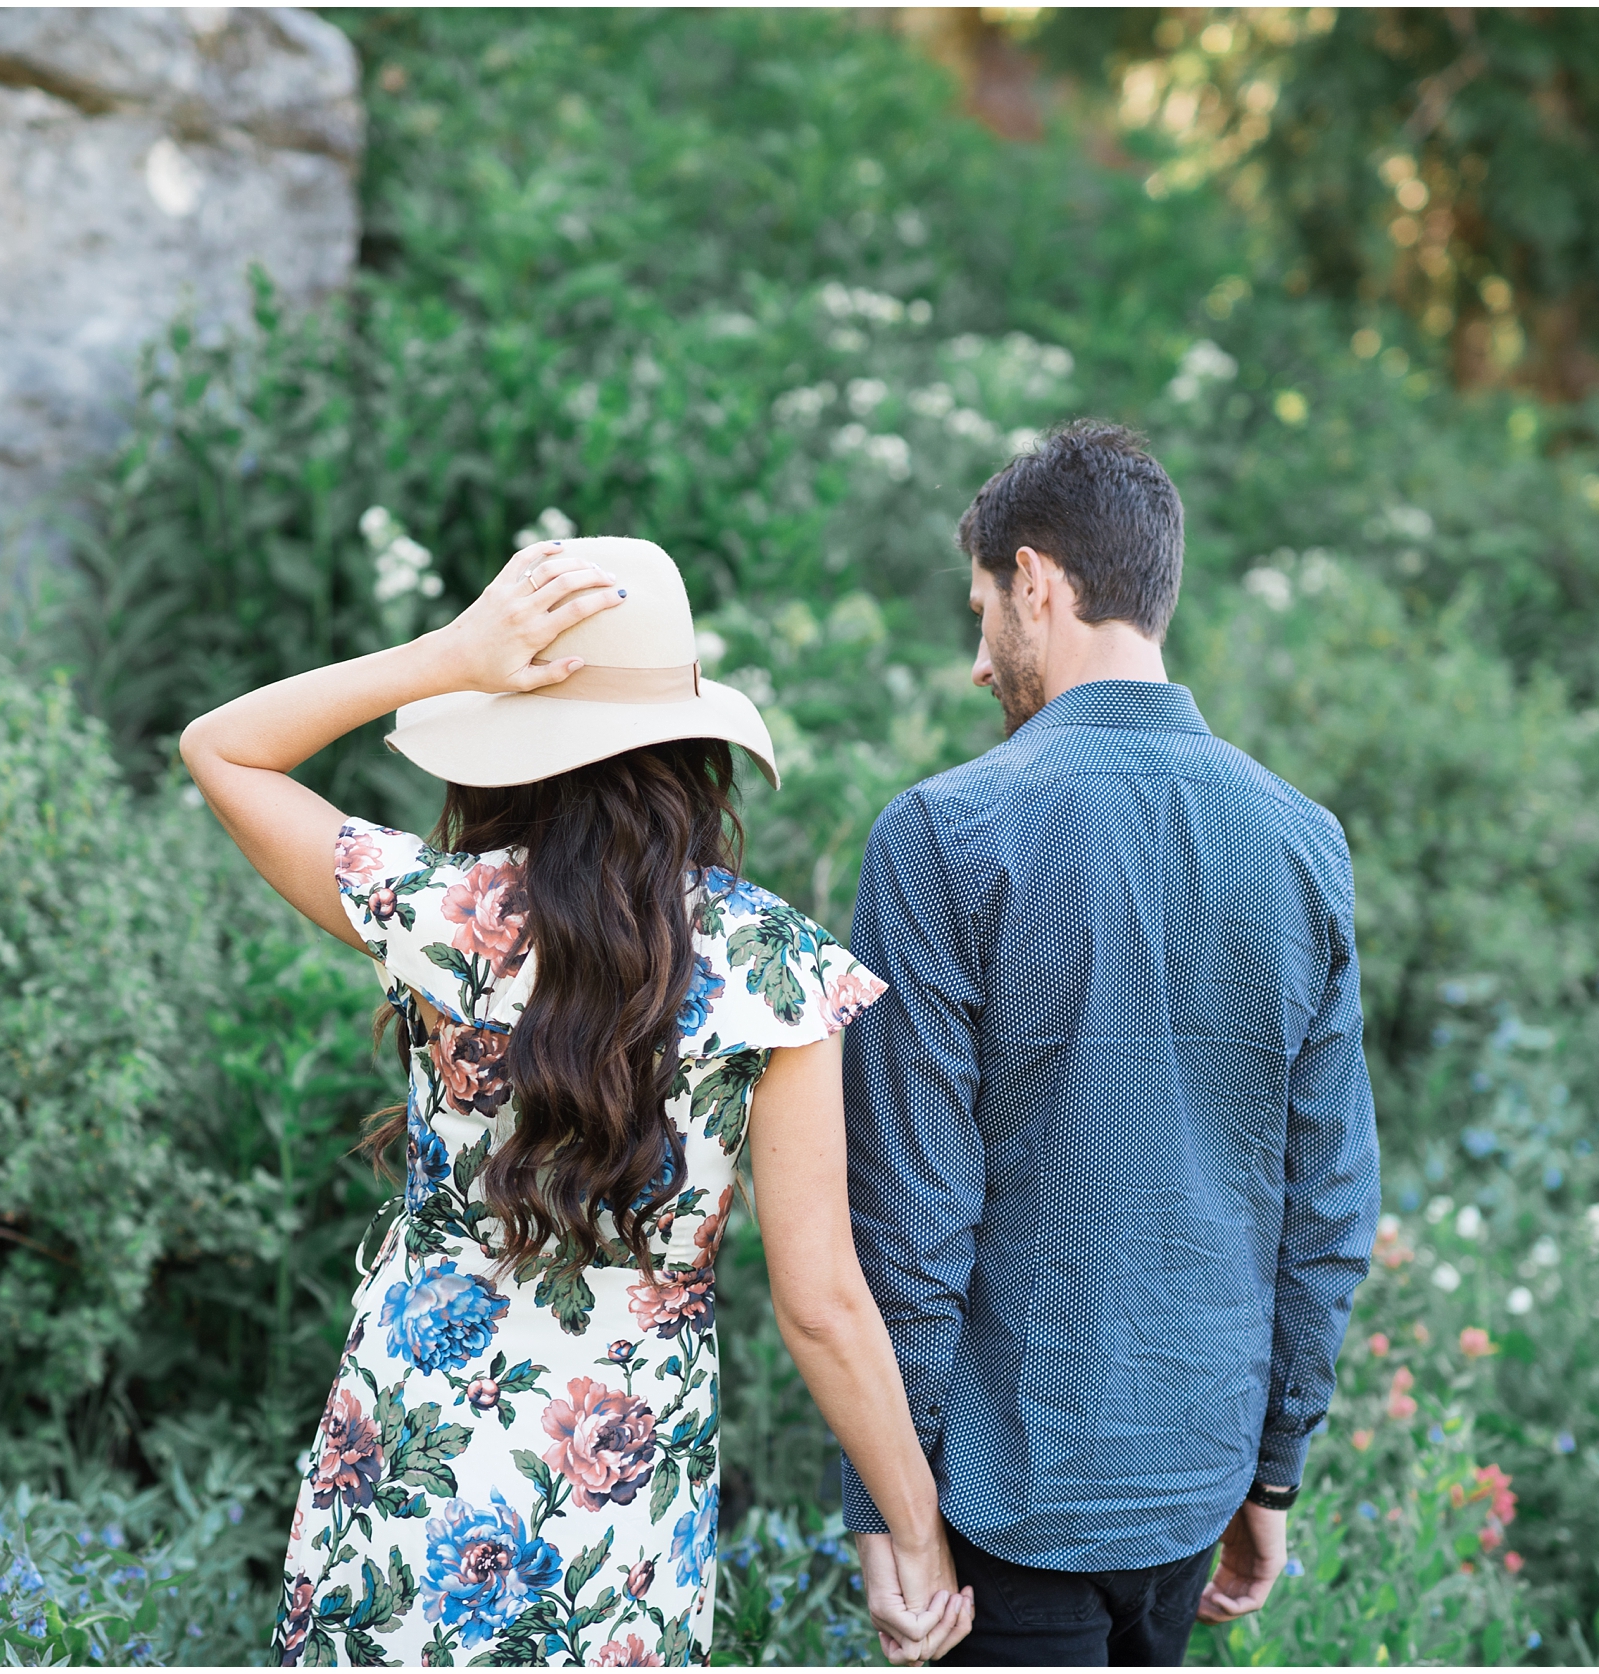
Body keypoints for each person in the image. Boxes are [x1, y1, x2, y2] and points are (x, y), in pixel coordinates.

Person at [181, 536, 975, 1667]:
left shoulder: (439, 914)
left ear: (508, 743)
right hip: (615, 1520)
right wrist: (917, 1535)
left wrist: (443, 655)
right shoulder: (775, 971)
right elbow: (822, 1306)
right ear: (693, 752)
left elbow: (221, 748)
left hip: (402, 1459)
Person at [838, 423, 1382, 1667]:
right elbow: (1329, 1206)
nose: (980, 661)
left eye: (980, 609)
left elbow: (906, 1227)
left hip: (1000, 1505)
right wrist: (1274, 1473)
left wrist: (891, 1510)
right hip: (1195, 1480)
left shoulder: (940, 836)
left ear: (1035, 582)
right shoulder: (1304, 842)